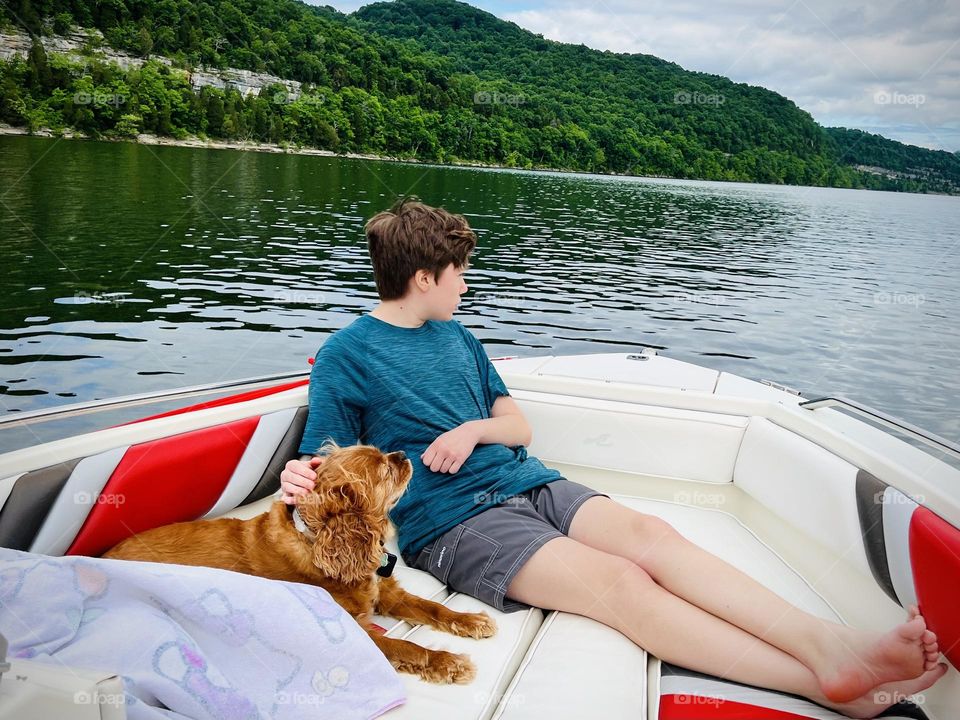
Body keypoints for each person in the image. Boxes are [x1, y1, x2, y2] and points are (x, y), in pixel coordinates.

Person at [280, 198, 945, 718]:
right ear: (423, 277)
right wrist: (296, 477)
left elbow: (518, 425)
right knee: (622, 587)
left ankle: (830, 643)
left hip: (523, 478)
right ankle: (826, 683)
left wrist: (474, 431)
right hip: (452, 521)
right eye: (459, 275)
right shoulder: (347, 357)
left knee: (654, 537)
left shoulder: (459, 337)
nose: (466, 286)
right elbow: (323, 468)